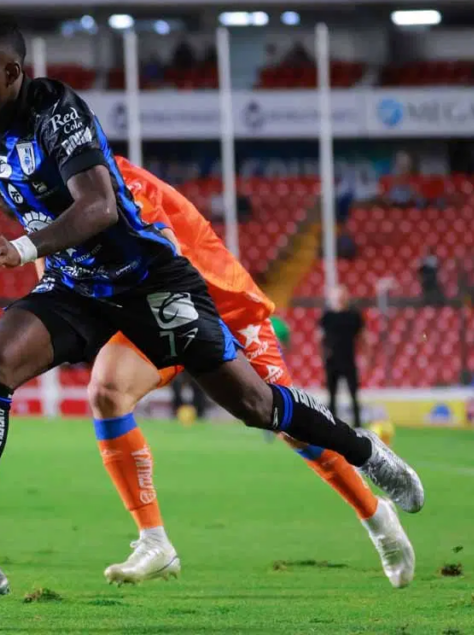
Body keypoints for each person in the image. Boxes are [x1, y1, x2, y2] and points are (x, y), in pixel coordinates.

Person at [0, 11, 424, 604]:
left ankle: (367, 457)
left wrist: (20, 248)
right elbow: (37, 206)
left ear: (12, 72)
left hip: (165, 289)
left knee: (260, 408)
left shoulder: (67, 124)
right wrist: (31, 257)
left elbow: (99, 211)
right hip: (82, 285)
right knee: (2, 367)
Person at [31, 160, 414, 588]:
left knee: (289, 425)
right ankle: (154, 541)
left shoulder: (114, 178)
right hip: (158, 310)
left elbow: (165, 250)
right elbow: (52, 268)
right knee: (107, 391)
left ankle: (376, 516)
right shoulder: (37, 191)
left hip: (225, 305)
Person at [320, 286, 365, 427]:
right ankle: (330, 424)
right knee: (331, 395)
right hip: (332, 361)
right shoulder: (327, 316)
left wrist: (365, 357)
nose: (340, 298)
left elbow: (362, 337)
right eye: (337, 295)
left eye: (342, 295)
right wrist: (322, 357)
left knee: (354, 394)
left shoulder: (354, 316)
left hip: (348, 360)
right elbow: (321, 339)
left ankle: (358, 425)